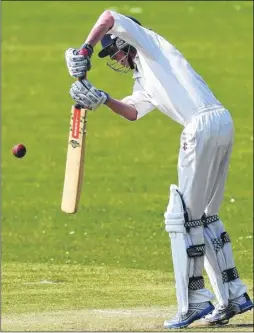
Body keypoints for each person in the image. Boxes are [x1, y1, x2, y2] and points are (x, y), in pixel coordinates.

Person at [64, 10, 253, 329]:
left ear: (126, 41)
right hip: (222, 122)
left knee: (182, 219)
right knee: (206, 215)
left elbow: (108, 14)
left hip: (200, 126)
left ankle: (194, 301)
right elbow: (134, 112)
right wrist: (103, 98)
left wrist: (86, 48)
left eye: (115, 51)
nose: (116, 59)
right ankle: (233, 294)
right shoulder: (146, 75)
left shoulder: (149, 43)